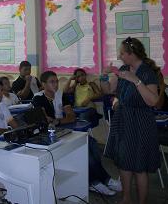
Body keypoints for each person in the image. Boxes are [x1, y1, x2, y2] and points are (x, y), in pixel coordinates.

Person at [30, 71, 121, 196]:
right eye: (52, 82)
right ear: (44, 84)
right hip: (49, 136)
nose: (56, 85)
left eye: (56, 81)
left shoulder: (61, 95)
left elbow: (71, 116)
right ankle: (96, 182)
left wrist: (57, 121)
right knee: (86, 149)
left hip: (63, 130)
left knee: (91, 143)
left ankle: (102, 180)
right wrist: (58, 120)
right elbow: (45, 121)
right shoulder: (38, 98)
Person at [100, 37, 160, 204]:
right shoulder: (124, 68)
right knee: (124, 163)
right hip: (123, 121)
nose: (119, 57)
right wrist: (104, 76)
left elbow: (153, 101)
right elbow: (108, 90)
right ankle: (126, 199)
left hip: (140, 123)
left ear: (132, 54)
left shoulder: (147, 73)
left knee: (139, 167)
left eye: (122, 53)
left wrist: (135, 80)